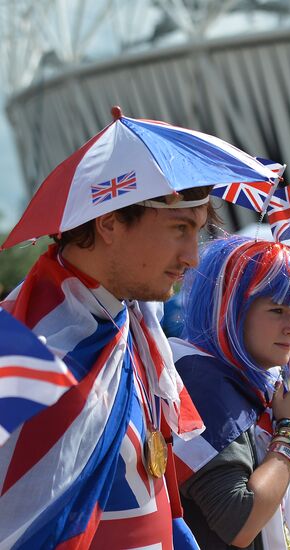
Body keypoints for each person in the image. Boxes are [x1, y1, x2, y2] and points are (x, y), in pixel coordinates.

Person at [0, 181, 217, 544]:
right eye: (180, 228)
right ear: (110, 223)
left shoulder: (130, 321)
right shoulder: (25, 354)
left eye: (197, 231)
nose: (192, 257)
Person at [170, 235, 290, 550]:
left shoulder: (237, 379)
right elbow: (238, 520)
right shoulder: (202, 380)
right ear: (231, 307)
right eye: (277, 310)